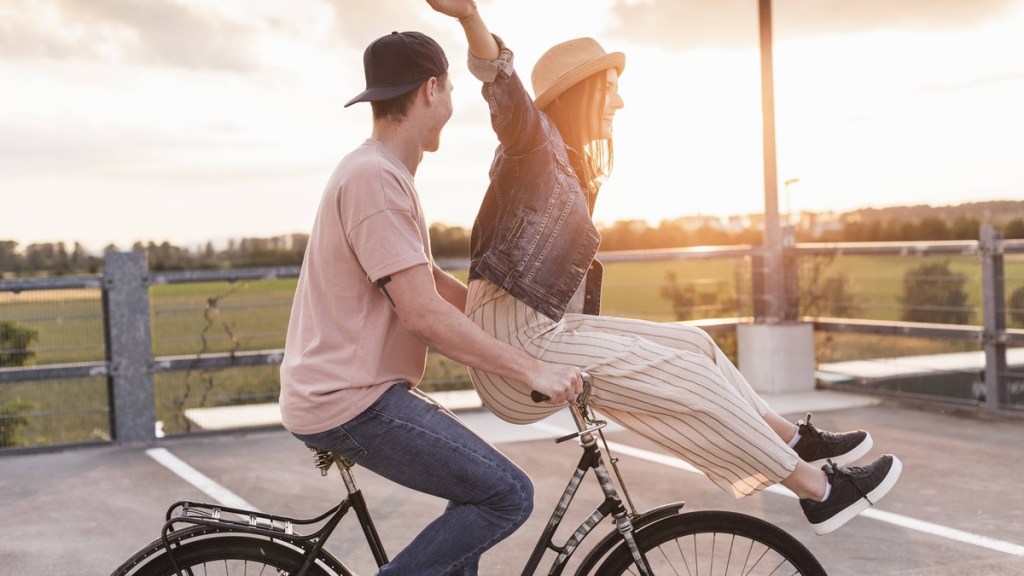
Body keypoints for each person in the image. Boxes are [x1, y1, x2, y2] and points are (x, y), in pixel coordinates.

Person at [427, 0, 901, 536]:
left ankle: (790, 439)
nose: (620, 101)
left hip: (542, 331)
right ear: (577, 93)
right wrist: (469, 16)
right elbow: (502, 84)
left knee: (695, 345)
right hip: (516, 351)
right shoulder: (534, 144)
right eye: (610, 87)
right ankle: (819, 491)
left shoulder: (574, 166)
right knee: (690, 379)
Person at [279, 30, 584, 575]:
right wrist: (530, 368)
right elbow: (420, 313)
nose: (451, 101)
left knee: (473, 491)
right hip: (351, 400)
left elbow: (429, 280)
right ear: (430, 91)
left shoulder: (379, 170)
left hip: (352, 391)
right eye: (449, 88)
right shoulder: (375, 179)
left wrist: (507, 331)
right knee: (507, 495)